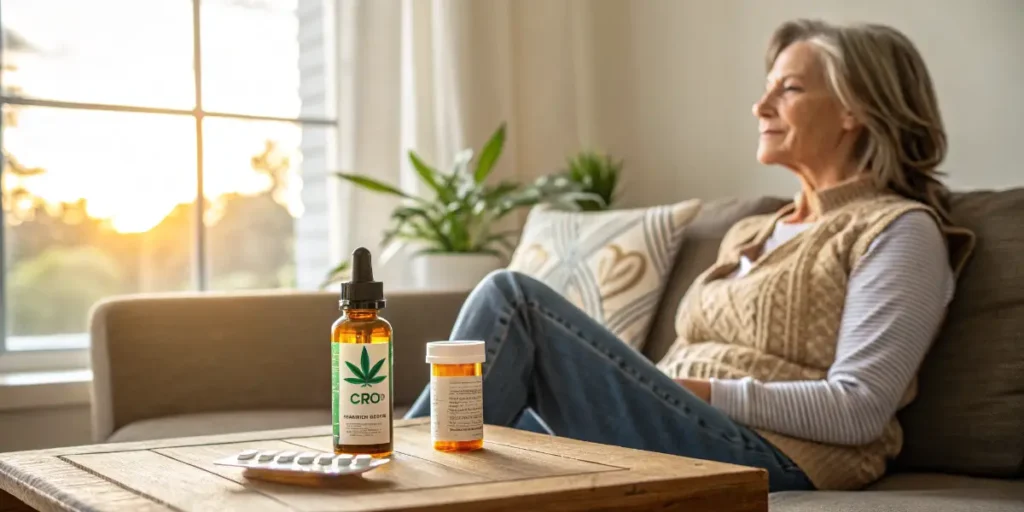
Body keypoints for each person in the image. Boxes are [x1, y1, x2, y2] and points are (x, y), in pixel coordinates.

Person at [405, 19, 974, 492]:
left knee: (515, 301)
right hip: (686, 423)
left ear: (855, 109)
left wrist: (690, 391)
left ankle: (391, 477)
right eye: (767, 87)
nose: (760, 105)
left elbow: (858, 408)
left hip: (776, 457)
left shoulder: (898, 232)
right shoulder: (752, 231)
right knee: (493, 441)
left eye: (790, 89)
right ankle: (390, 475)